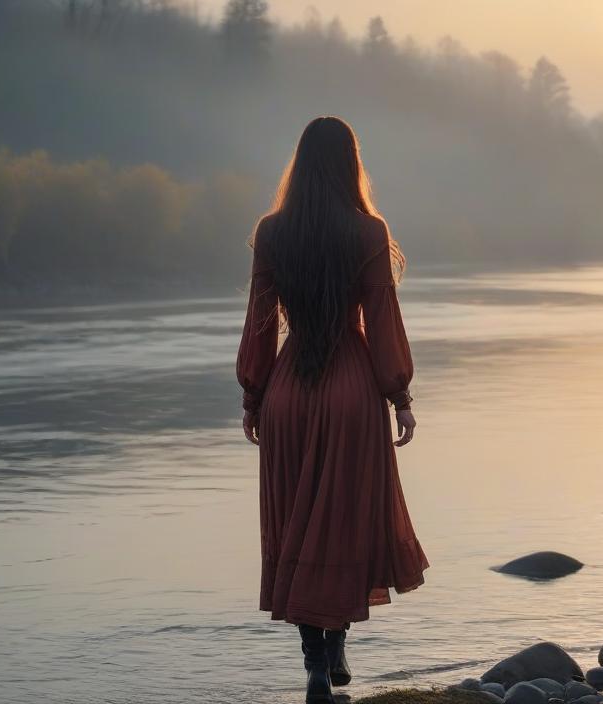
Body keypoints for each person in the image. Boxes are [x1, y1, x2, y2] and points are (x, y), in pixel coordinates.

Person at [236, 116, 429, 704]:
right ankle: (337, 645)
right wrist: (399, 394)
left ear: (299, 165)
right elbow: (383, 323)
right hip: (351, 389)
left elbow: (260, 325)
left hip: (289, 394)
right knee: (341, 522)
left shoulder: (271, 233)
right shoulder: (369, 233)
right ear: (350, 164)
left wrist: (253, 393)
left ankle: (315, 662)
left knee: (296, 522)